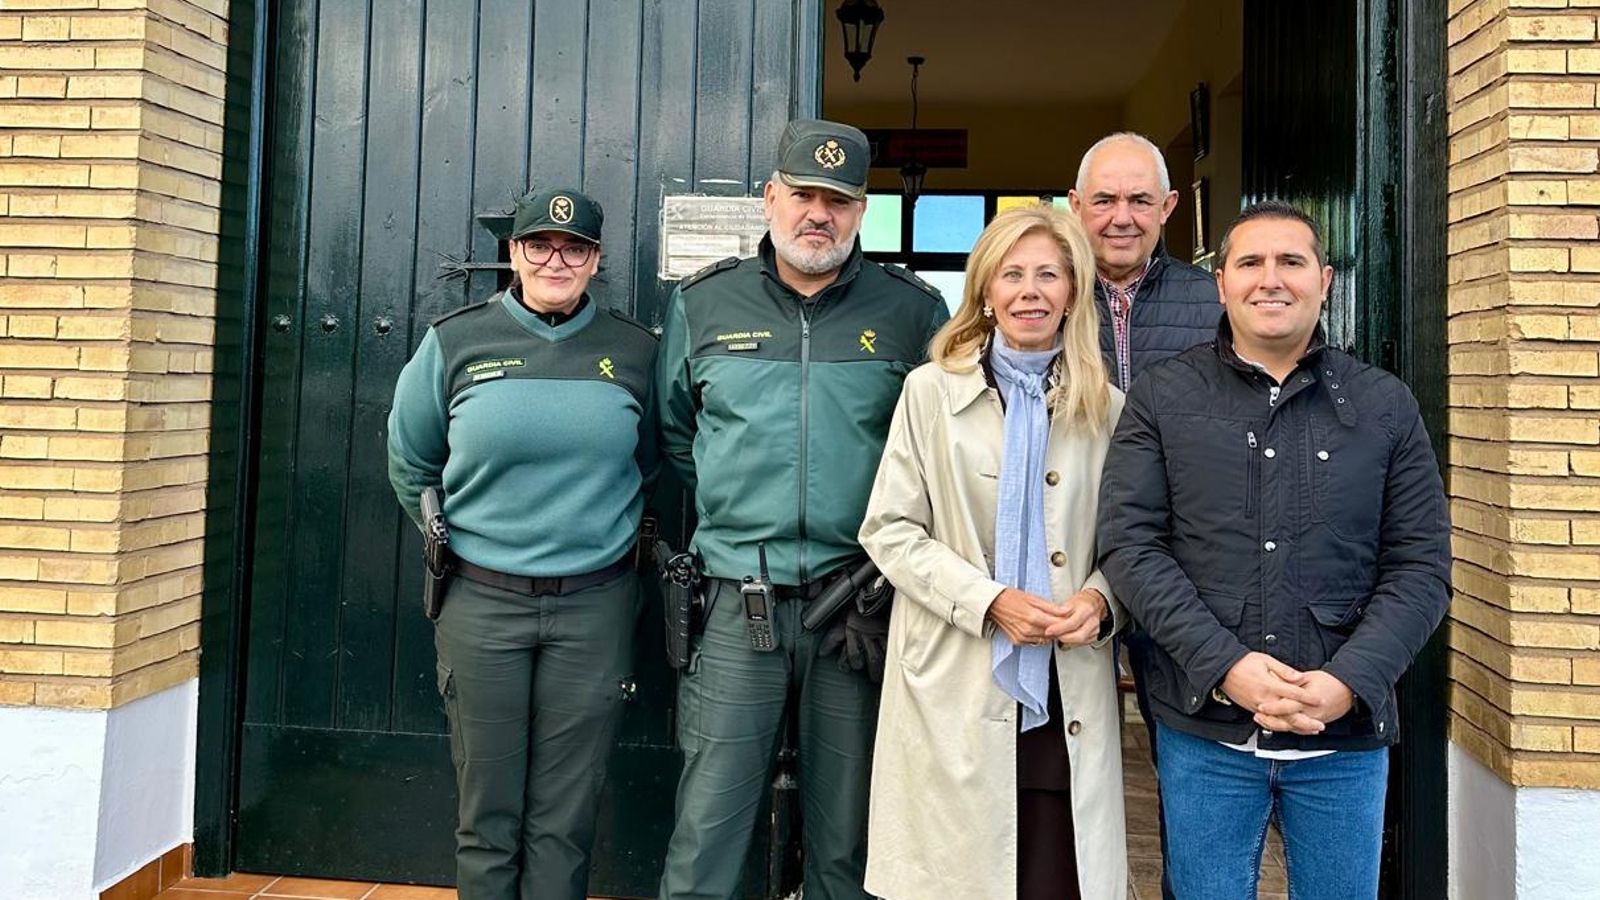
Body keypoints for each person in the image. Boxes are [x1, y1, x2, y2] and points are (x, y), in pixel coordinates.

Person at [1097, 201, 1450, 899]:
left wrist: (1349, 680)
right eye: (1251, 263)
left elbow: (1421, 567)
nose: (1271, 279)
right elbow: (1131, 545)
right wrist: (1225, 666)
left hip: (1342, 738)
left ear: (1324, 280)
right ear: (1221, 282)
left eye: (1291, 262)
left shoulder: (1384, 406)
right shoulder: (1163, 397)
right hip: (1207, 730)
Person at [654, 118, 949, 900]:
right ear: (770, 198)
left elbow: (940, 450)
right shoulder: (703, 304)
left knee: (849, 841)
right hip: (732, 606)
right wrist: (740, 505)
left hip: (858, 609)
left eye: (839, 201)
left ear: (861, 211)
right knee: (707, 834)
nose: (820, 214)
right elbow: (679, 434)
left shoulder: (911, 312)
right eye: (804, 196)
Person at [387, 187, 658, 900]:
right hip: (482, 603)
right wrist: (469, 542)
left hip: (594, 607)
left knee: (565, 817)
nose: (555, 261)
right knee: (488, 814)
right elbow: (411, 462)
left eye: (574, 248)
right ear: (514, 252)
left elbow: (653, 461)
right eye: (539, 245)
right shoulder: (456, 341)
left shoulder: (635, 350)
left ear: (595, 260)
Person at [858, 204, 1128, 900]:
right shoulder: (929, 391)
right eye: (1012, 274)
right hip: (955, 673)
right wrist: (989, 601)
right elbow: (889, 528)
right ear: (984, 289)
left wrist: (1100, 600)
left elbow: (1134, 542)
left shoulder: (1108, 407)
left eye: (1048, 274)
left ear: (1073, 290)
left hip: (1064, 677)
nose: (1029, 291)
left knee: (1053, 868)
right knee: (956, 874)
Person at [1069, 130, 1221, 900]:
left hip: (1180, 576)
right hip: (1064, 570)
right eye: (1104, 200)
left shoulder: (1215, 301)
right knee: (1054, 761)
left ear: (1168, 206)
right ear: (1076, 207)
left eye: (1138, 200)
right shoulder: (1045, 292)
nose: (1120, 216)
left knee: (1189, 771)